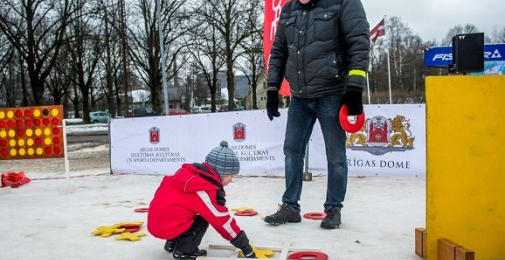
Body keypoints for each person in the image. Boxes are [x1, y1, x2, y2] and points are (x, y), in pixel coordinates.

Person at [264, 0, 370, 229]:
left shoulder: (343, 3)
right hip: (299, 96)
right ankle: (290, 207)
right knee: (292, 150)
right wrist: (272, 87)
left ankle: (334, 208)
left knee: (335, 154)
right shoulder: (289, 10)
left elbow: (358, 44)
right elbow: (279, 51)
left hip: (332, 92)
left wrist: (355, 88)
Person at [147, 141, 256, 259]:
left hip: (157, 223)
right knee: (204, 217)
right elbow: (222, 222)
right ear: (222, 172)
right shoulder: (204, 190)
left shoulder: (189, 176)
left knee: (183, 211)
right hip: (166, 227)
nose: (231, 180)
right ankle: (184, 251)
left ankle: (171, 243)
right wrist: (246, 247)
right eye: (231, 175)